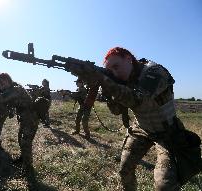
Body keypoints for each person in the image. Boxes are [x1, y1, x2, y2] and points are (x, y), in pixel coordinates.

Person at [77, 47, 202, 190]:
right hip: (141, 129)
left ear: (129, 59)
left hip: (167, 134)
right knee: (124, 170)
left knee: (165, 185)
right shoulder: (120, 80)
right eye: (111, 71)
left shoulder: (154, 72)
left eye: (116, 66)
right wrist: (104, 88)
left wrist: (103, 80)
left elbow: (137, 99)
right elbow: (117, 110)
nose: (115, 73)